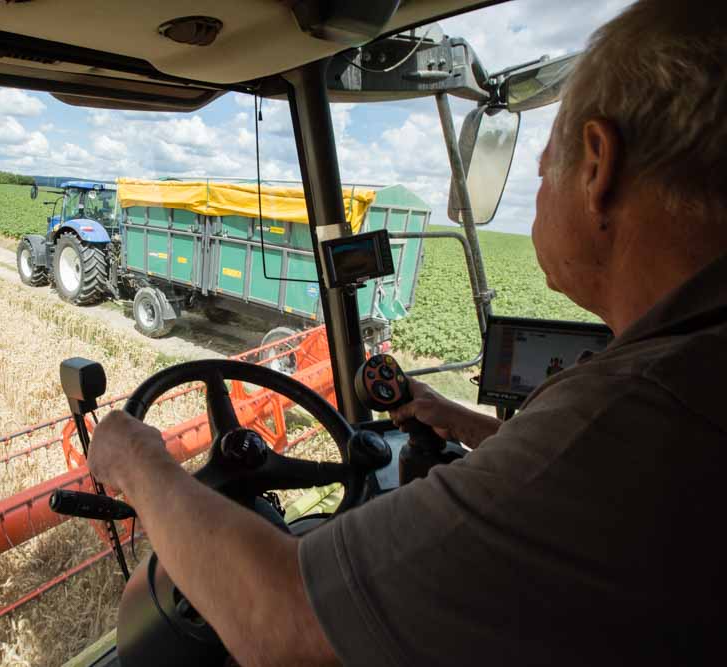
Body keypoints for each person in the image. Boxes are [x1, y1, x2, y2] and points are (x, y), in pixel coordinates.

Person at [88, 1, 727, 664]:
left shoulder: (624, 416)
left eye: (543, 169)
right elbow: (562, 481)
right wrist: (463, 421)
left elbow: (284, 622)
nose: (537, 190)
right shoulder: (681, 384)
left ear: (597, 165)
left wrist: (139, 463)